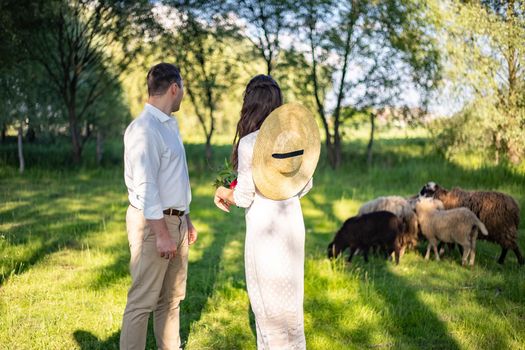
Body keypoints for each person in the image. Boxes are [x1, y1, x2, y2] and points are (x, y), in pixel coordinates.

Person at [213, 75, 319, 349]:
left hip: (265, 230)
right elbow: (306, 185)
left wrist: (224, 192)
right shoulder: (293, 140)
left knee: (268, 307)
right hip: (293, 226)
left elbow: (245, 195)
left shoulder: (249, 144)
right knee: (291, 308)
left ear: (251, 104)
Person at [121, 62, 197, 350]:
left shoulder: (167, 126)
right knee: (143, 301)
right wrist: (163, 233)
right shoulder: (145, 129)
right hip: (154, 225)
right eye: (183, 89)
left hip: (174, 221)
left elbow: (173, 178)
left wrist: (185, 219)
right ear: (174, 88)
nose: (183, 95)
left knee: (172, 299)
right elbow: (146, 186)